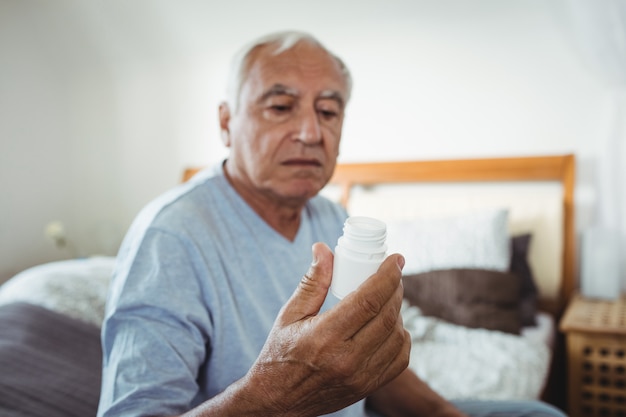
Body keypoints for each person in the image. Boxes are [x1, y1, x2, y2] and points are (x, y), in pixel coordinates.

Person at [97, 31, 566, 417]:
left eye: (328, 111)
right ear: (226, 122)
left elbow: (367, 364)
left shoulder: (330, 216)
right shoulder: (170, 238)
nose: (310, 133)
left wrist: (445, 414)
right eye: (281, 107)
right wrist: (271, 393)